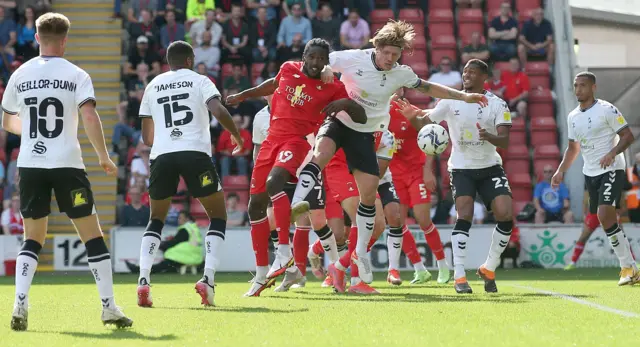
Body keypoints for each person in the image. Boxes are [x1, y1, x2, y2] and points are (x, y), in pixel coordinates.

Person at [291, 20, 487, 286]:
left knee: (369, 199)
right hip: (340, 121)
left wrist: (462, 97)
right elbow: (317, 63)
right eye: (388, 54)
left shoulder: (400, 73)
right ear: (377, 47)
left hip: (365, 135)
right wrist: (325, 69)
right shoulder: (352, 58)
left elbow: (428, 87)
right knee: (322, 151)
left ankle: (353, 260)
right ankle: (298, 201)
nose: (391, 60)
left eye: (396, 55)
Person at [3, 13, 132, 331]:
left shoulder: (21, 75)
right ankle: (108, 307)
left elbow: (7, 122)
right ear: (65, 40)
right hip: (68, 164)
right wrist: (103, 156)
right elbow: (89, 116)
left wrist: (33, 135)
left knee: (32, 238)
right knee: (92, 236)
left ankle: (20, 303)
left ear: (36, 38)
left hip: (31, 164)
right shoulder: (77, 75)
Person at [226, 38, 364, 295]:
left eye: (321, 58)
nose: (316, 63)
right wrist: (244, 95)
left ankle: (286, 254)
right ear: (304, 56)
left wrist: (344, 102)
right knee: (255, 205)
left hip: (300, 142)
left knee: (278, 187)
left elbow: (360, 115)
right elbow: (273, 84)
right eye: (312, 57)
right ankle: (261, 274)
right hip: (272, 140)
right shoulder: (288, 68)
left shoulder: (331, 86)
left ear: (326, 61)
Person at [136, 40, 244, 307]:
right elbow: (218, 110)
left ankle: (144, 281)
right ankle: (207, 280)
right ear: (189, 60)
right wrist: (236, 135)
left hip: (162, 155)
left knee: (156, 220)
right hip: (195, 153)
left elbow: (146, 136)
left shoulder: (153, 85)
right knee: (217, 216)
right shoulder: (200, 80)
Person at [395, 59, 513, 294]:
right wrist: (412, 117)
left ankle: (489, 267)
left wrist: (488, 136)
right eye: (465, 72)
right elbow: (425, 125)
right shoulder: (449, 101)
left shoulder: (497, 104)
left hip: (491, 167)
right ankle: (459, 275)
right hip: (461, 168)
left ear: (484, 78)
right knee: (464, 214)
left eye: (473, 72)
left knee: (505, 214)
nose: (467, 75)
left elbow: (505, 140)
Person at [552, 72, 638, 285]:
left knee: (604, 214)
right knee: (606, 219)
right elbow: (573, 149)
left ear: (593, 87)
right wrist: (561, 170)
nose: (578, 89)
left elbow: (628, 136)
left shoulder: (607, 109)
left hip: (612, 169)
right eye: (575, 85)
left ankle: (627, 267)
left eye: (583, 85)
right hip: (590, 173)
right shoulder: (573, 116)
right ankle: (631, 268)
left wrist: (612, 153)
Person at [388, 90, 450, 284]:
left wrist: (427, 171)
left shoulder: (412, 111)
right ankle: (419, 269)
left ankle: (443, 267)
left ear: (403, 90)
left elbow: (430, 139)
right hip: (394, 175)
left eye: (399, 88)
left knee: (423, 219)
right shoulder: (379, 113)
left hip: (416, 172)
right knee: (397, 222)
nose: (395, 91)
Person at [126, 211, 204, 274]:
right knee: (165, 265)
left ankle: (139, 269)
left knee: (163, 264)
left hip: (185, 256)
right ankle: (140, 269)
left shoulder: (185, 229)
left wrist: (162, 245)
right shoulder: (193, 228)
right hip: (195, 255)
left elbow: (174, 242)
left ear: (187, 219)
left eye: (180, 218)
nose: (178, 220)